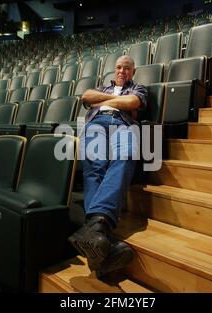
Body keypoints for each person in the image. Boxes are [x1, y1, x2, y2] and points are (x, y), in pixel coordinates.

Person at [68, 55, 147, 278]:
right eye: (119, 67)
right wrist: (112, 99)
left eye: (127, 68)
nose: (122, 71)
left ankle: (96, 233)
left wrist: (101, 102)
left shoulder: (138, 88)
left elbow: (132, 103)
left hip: (123, 124)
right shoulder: (103, 87)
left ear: (133, 71)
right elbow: (86, 96)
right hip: (96, 124)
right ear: (115, 70)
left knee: (126, 155)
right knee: (95, 167)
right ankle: (101, 238)